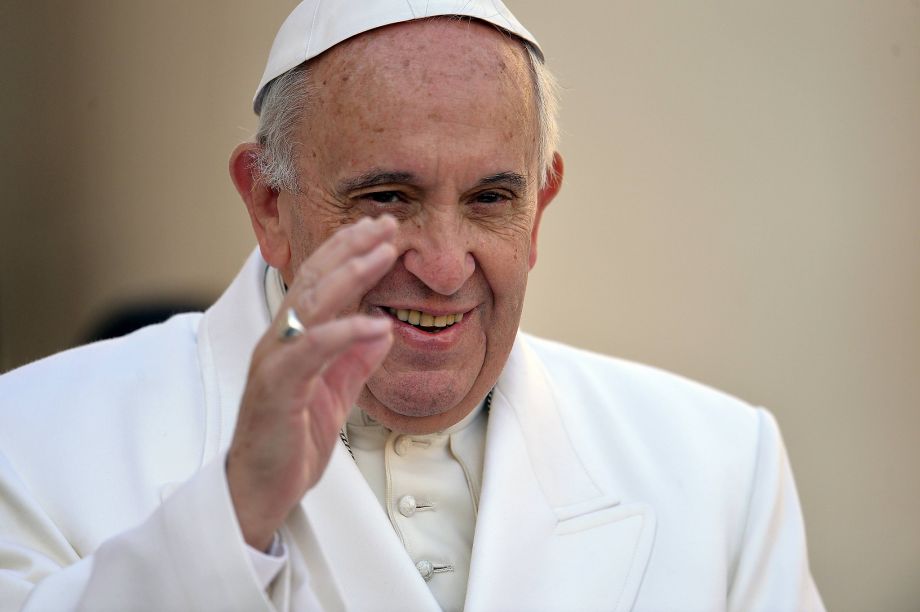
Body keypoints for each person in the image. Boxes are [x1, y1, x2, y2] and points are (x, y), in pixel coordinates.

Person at [0, 1, 824, 610]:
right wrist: (232, 517)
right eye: (387, 197)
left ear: (540, 206)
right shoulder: (30, 441)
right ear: (267, 204)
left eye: (491, 198)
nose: (441, 264)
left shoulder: (720, 467)